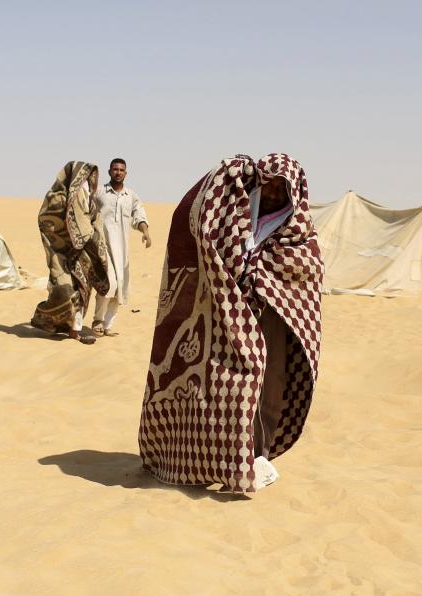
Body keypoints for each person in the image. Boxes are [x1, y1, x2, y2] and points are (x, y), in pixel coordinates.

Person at [138, 153, 323, 494]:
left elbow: (305, 278)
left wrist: (263, 283)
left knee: (266, 386)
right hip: (227, 320)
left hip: (272, 323)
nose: (271, 194)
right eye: (267, 185)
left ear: (294, 193)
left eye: (281, 189)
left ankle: (255, 455)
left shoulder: (301, 237)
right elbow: (196, 222)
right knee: (226, 389)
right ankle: (216, 458)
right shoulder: (235, 222)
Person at [31, 161, 110, 345]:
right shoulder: (56, 199)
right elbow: (47, 220)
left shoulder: (88, 197)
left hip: (82, 254)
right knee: (65, 290)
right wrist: (75, 235)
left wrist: (90, 236)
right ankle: (57, 324)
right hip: (62, 255)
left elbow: (91, 220)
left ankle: (73, 330)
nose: (89, 180)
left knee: (81, 290)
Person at [91, 158, 151, 337]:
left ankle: (108, 325)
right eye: (115, 169)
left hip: (122, 249)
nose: (118, 172)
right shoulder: (100, 192)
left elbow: (138, 215)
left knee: (120, 288)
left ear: (126, 173)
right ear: (109, 172)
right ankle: (97, 320)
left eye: (121, 170)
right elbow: (86, 212)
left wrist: (145, 232)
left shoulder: (130, 196)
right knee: (109, 283)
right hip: (102, 246)